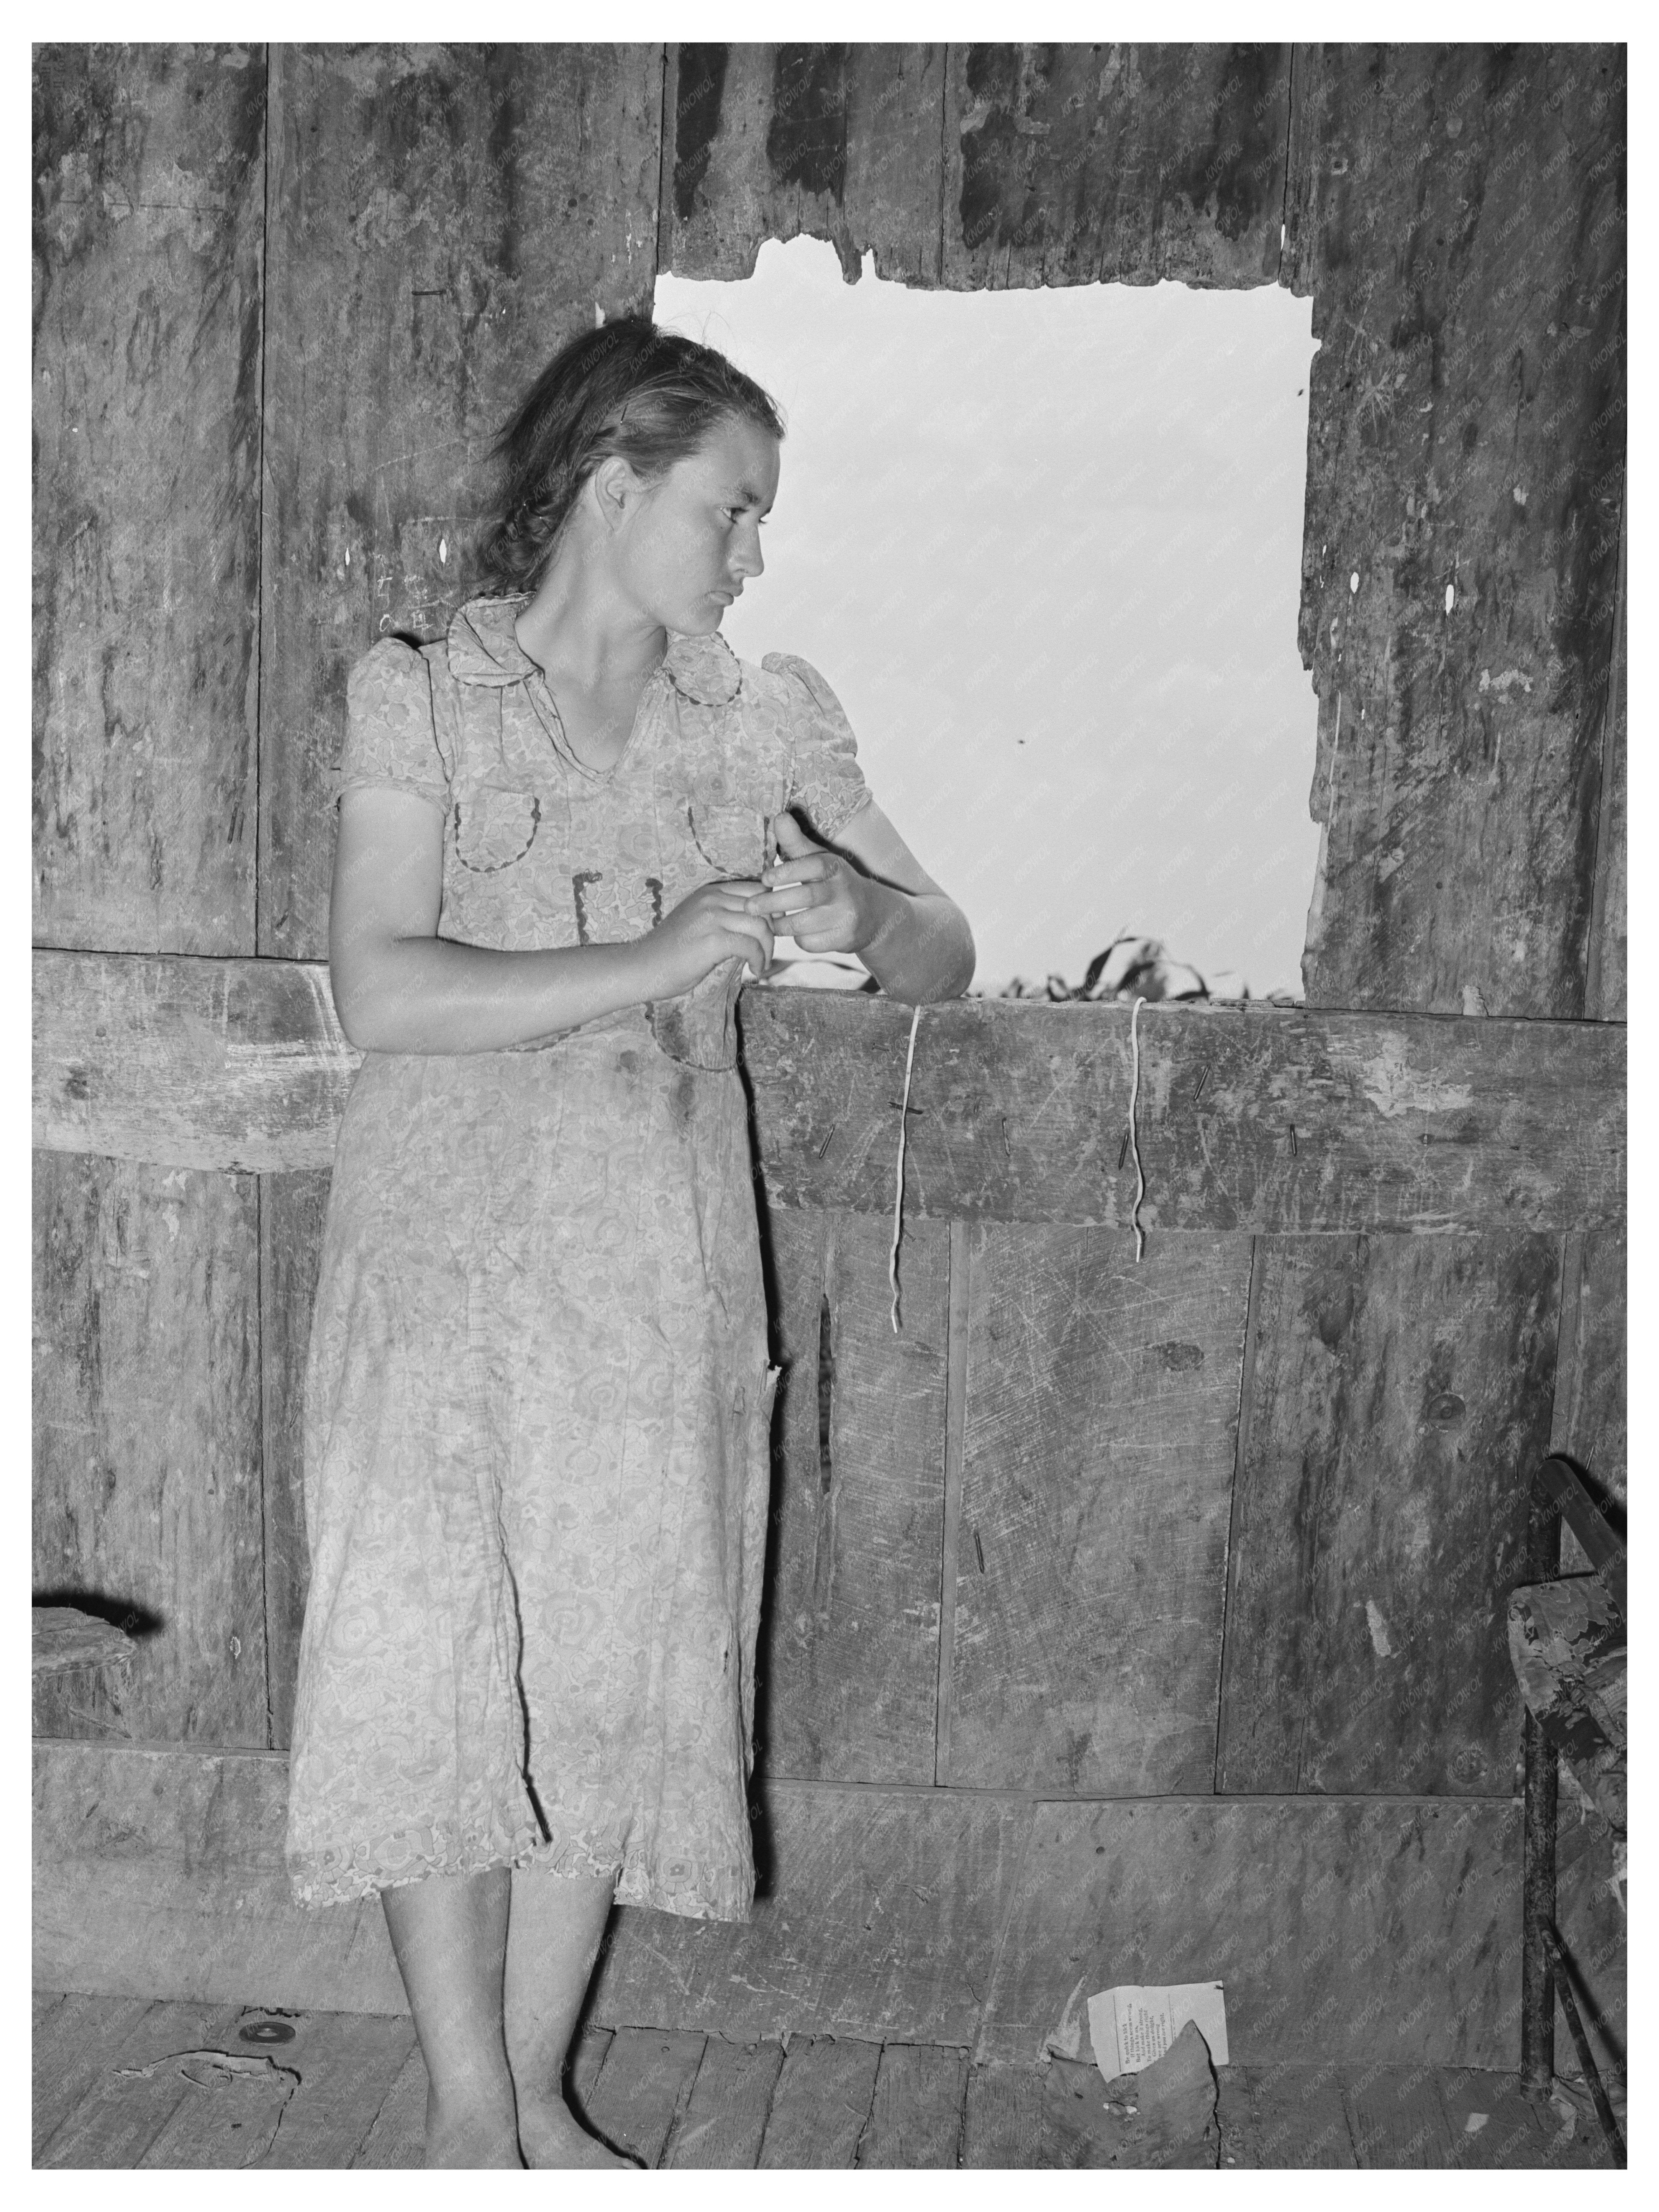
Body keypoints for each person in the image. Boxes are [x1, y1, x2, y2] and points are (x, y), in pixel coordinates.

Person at [282, 316, 975, 2168]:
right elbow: (383, 990)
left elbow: (949, 946)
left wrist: (863, 905)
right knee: (429, 1660)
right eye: (732, 511)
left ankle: (534, 2105)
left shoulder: (765, 718)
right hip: (435, 1265)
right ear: (614, 481)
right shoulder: (418, 694)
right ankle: (459, 2121)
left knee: (608, 1662)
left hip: (652, 1272)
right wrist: (660, 956)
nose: (753, 557)